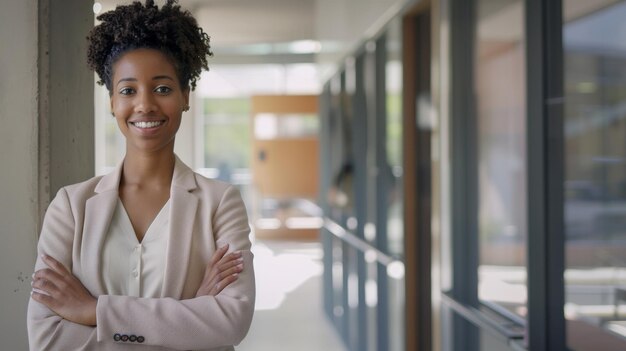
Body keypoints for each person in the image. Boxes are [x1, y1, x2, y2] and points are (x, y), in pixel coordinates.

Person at [26, 1, 255, 350]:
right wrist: (189, 318)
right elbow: (48, 338)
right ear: (112, 102)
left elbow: (229, 322)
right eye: (128, 90)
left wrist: (93, 311)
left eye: (162, 88)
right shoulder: (71, 207)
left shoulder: (220, 203)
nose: (145, 104)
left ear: (185, 97)